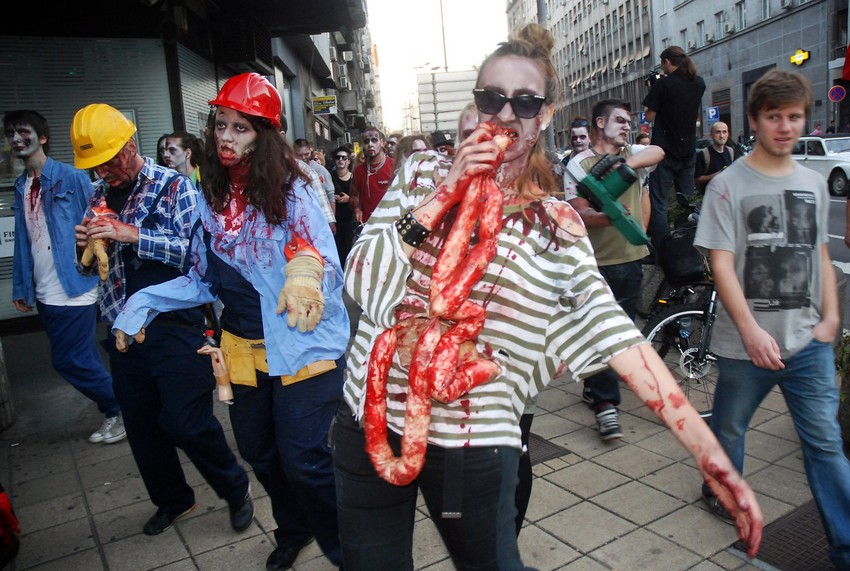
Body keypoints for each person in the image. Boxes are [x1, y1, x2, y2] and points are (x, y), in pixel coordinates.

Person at [332, 23, 762, 570]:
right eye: (492, 98)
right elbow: (361, 282)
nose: (506, 115)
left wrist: (711, 456)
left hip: (470, 439)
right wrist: (443, 195)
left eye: (525, 102)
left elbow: (618, 336)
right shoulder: (420, 174)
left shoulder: (554, 226)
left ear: (545, 115)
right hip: (367, 417)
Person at [112, 72, 349, 571]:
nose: (225, 137)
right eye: (221, 124)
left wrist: (305, 273)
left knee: (304, 458)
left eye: (240, 128)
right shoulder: (211, 197)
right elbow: (202, 279)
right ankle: (295, 529)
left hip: (303, 343)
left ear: (263, 136)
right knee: (260, 453)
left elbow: (328, 266)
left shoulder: (294, 190)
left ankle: (350, 551)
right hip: (242, 348)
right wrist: (141, 304)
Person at [70, 103, 253, 537]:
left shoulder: (174, 186)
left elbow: (196, 254)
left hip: (174, 323)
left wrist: (132, 234)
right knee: (142, 425)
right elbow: (89, 270)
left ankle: (235, 487)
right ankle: (174, 499)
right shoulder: (97, 195)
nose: (103, 172)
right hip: (122, 328)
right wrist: (83, 248)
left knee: (187, 422)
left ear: (130, 145)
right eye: (95, 166)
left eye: (109, 161)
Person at [694, 69, 850, 570]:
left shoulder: (813, 182)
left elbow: (820, 252)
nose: (785, 127)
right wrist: (751, 331)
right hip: (745, 347)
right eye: (774, 117)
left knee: (825, 445)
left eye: (794, 116)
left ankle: (846, 548)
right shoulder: (727, 186)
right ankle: (725, 496)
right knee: (729, 431)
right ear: (755, 121)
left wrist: (831, 319)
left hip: (807, 344)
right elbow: (721, 264)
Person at [5, 109, 124, 445]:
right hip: (44, 288)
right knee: (77, 357)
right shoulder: (21, 185)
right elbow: (25, 239)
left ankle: (119, 408)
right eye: (11, 133)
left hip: (74, 284)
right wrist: (21, 286)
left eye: (23, 132)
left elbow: (100, 218)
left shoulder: (71, 177)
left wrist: (101, 267)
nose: (16, 139)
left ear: (42, 137)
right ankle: (120, 408)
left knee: (70, 360)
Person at [563, 99, 663, 441]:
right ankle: (606, 404)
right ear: (600, 123)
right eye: (619, 120)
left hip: (630, 259)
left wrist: (626, 166)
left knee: (621, 331)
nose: (626, 126)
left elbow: (658, 152)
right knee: (600, 332)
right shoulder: (578, 164)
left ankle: (599, 388)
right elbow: (579, 212)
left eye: (628, 121)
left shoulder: (633, 153)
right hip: (595, 263)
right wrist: (608, 217)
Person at [643, 46, 706, 254]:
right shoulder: (699, 83)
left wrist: (654, 88)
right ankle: (686, 244)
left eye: (663, 64)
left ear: (668, 61)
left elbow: (649, 116)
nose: (663, 68)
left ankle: (662, 249)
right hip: (688, 150)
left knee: (659, 201)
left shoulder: (664, 85)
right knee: (686, 200)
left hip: (664, 150)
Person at [350, 126, 395, 224]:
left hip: (391, 223)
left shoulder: (394, 165)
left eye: (374, 140)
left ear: (382, 143)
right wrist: (357, 209)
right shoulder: (358, 170)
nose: (370, 144)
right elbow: (354, 196)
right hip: (367, 224)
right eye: (366, 141)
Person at [294, 138, 336, 221]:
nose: (303, 158)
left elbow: (330, 196)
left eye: (306, 154)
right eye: (299, 155)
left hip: (320, 217)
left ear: (311, 150)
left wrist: (331, 221)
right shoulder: (291, 171)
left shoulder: (320, 170)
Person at [331, 144, 357, 263]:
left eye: (344, 158)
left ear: (348, 161)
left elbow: (360, 196)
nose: (341, 160)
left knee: (349, 248)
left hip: (350, 220)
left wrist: (349, 199)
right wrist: (331, 197)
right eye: (338, 157)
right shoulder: (329, 177)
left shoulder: (354, 177)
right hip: (335, 219)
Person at [694, 121, 735, 194]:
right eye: (718, 132)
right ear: (711, 135)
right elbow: (697, 179)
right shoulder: (704, 154)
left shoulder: (731, 151)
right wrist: (718, 174)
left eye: (724, 132)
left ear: (728, 134)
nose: (721, 136)